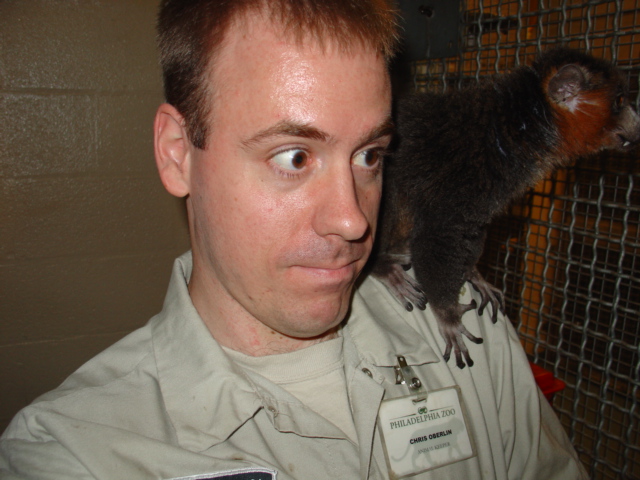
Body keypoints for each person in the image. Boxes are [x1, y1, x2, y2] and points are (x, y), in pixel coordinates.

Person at [0, 0, 587, 479]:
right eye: (294, 157)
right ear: (178, 154)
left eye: (370, 155)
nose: (353, 221)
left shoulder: (467, 331)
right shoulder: (76, 453)